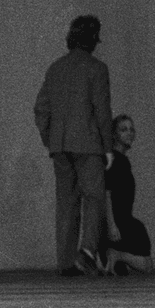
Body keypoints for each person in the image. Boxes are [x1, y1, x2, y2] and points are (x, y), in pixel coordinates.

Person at [34, 14, 115, 277]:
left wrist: (51, 139)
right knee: (94, 197)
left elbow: (41, 109)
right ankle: (87, 252)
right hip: (89, 145)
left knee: (66, 203)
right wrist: (107, 147)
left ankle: (66, 263)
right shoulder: (97, 68)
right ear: (93, 39)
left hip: (60, 146)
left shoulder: (55, 68)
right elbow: (102, 111)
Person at [103, 114, 153, 274]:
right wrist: (112, 226)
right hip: (119, 224)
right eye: (123, 130)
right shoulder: (116, 161)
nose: (129, 133)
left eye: (131, 129)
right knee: (147, 265)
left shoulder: (120, 160)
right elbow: (106, 193)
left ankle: (116, 258)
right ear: (114, 134)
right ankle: (117, 255)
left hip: (120, 223)